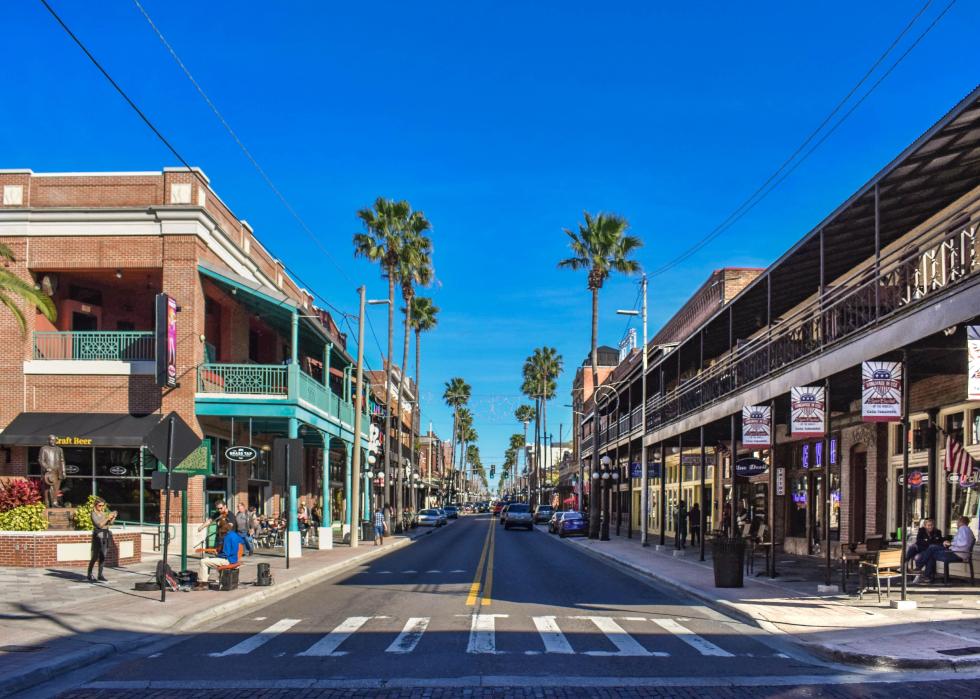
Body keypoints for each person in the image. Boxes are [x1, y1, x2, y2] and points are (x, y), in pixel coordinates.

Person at [914, 516, 976, 584]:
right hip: (956, 552)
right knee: (932, 548)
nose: (957, 524)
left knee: (931, 550)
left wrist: (950, 543)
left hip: (957, 554)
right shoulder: (967, 529)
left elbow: (963, 542)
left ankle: (921, 570)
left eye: (958, 522)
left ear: (961, 522)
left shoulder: (963, 529)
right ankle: (927, 576)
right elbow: (962, 541)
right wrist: (949, 543)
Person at [195, 523, 245, 590]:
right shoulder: (234, 534)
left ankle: (203, 583)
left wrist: (217, 554)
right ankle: (205, 580)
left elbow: (225, 554)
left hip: (228, 560)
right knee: (208, 560)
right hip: (234, 558)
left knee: (203, 561)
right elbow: (242, 542)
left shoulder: (227, 537)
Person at [87, 498, 116, 582]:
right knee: (95, 556)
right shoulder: (93, 514)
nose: (101, 507)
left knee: (103, 555)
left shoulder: (103, 513)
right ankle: (89, 574)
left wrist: (113, 517)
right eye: (100, 505)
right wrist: (107, 517)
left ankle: (100, 575)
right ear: (95, 505)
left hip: (105, 535)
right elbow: (99, 525)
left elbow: (110, 523)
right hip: (98, 536)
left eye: (103, 505)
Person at [39, 435, 66, 508]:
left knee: (56, 488)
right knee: (47, 489)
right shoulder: (44, 449)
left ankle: (54, 502)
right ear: (48, 440)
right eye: (51, 440)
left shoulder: (59, 449)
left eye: (54, 440)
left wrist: (63, 471)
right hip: (48, 473)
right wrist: (46, 467)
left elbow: (62, 461)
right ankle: (46, 503)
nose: (53, 441)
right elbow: (41, 460)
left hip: (57, 472)